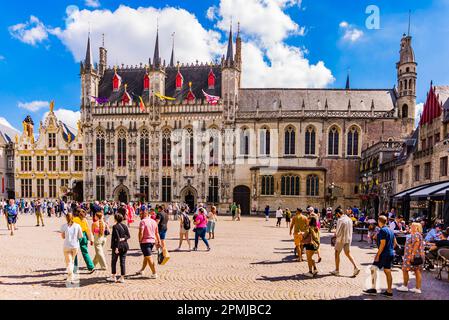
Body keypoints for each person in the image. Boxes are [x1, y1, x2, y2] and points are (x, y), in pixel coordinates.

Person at [363, 215, 397, 298]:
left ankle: (373, 289)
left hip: (384, 254)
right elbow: (395, 243)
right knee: (387, 271)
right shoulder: (390, 230)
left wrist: (378, 255)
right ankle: (389, 291)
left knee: (373, 269)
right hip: (390, 253)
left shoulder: (382, 231)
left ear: (379, 221)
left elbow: (382, 244)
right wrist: (390, 249)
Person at [331, 209, 360, 277]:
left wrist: (335, 235)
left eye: (336, 214)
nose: (336, 216)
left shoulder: (340, 220)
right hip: (348, 238)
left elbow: (338, 231)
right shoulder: (349, 219)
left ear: (338, 213)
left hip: (341, 239)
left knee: (336, 253)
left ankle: (337, 270)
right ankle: (356, 267)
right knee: (348, 253)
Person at [397, 222, 425, 294]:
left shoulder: (415, 234)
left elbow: (416, 244)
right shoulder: (418, 234)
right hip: (417, 256)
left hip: (411, 256)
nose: (410, 227)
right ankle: (417, 288)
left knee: (405, 270)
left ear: (417, 228)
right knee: (417, 270)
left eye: (412, 226)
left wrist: (412, 255)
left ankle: (405, 286)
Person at [135, 208, 161, 279]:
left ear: (144, 214)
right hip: (152, 241)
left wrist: (140, 240)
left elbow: (141, 232)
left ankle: (154, 273)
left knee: (149, 257)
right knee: (146, 256)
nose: (140, 216)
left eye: (140, 214)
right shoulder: (153, 221)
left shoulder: (142, 222)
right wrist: (159, 241)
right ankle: (142, 270)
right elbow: (157, 233)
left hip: (145, 242)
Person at [108, 209, 131, 283]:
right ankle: (122, 277)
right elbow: (128, 236)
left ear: (115, 219)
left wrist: (117, 247)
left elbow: (117, 238)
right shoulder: (125, 226)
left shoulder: (115, 226)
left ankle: (114, 276)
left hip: (117, 246)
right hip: (124, 245)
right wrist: (124, 238)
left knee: (114, 261)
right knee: (122, 262)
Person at [59, 213, 83, 284]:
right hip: (75, 245)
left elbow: (63, 237)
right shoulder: (77, 226)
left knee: (69, 262)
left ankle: (70, 276)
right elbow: (80, 236)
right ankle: (71, 276)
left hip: (67, 245)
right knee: (72, 261)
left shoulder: (63, 226)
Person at [73, 209, 95, 273]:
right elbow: (88, 230)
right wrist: (91, 239)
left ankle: (75, 269)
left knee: (74, 253)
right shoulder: (85, 220)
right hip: (84, 236)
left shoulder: (74, 219)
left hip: (76, 236)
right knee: (85, 252)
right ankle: (91, 266)